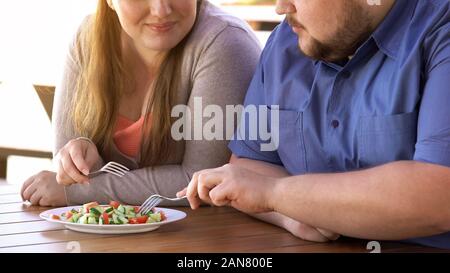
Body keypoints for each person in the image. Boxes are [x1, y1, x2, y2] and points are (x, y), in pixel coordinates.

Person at [179, 0, 450, 249]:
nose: (281, 7)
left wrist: (276, 194)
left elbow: (438, 196)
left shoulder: (440, 29)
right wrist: (293, 214)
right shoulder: (286, 42)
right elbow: (247, 165)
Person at [20, 0, 261, 207]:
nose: (161, 9)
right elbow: (67, 176)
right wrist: (86, 160)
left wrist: (79, 192)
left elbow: (203, 182)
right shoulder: (87, 39)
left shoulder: (224, 43)